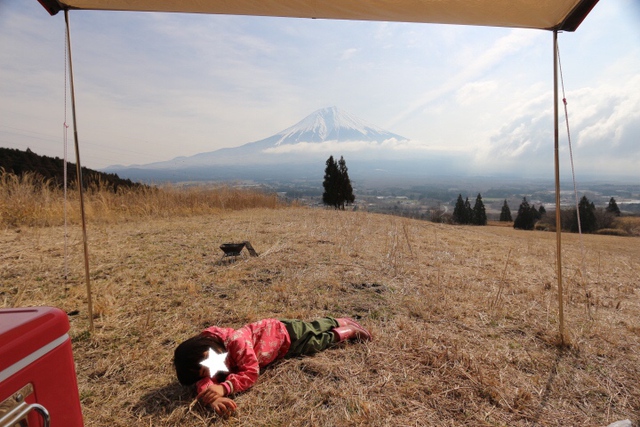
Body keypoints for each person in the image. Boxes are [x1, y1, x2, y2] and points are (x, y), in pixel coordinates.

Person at [173, 317, 372, 416]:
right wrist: (212, 398)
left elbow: (250, 372)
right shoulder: (208, 352)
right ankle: (346, 331)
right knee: (316, 343)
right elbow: (204, 381)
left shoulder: (236, 342)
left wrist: (224, 387)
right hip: (280, 350)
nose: (211, 373)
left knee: (314, 331)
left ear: (206, 347)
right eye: (204, 372)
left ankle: (343, 324)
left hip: (284, 333)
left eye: (208, 366)